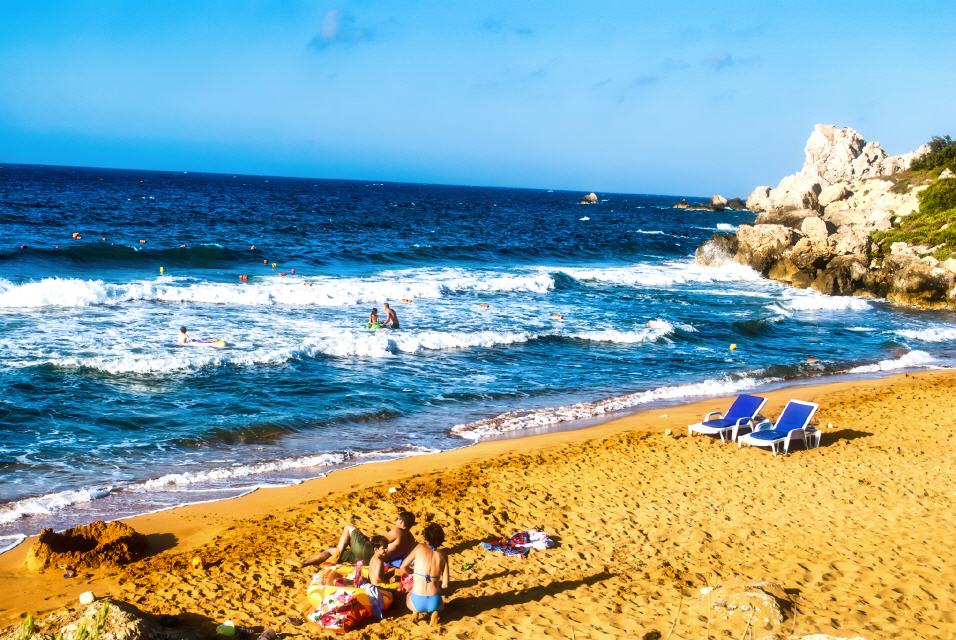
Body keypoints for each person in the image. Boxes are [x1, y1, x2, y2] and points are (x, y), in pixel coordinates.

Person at [301, 510, 417, 568]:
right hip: (371, 562)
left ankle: (305, 563)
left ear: (401, 522)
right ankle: (333, 554)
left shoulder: (397, 531)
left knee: (348, 527)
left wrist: (368, 538)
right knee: (331, 550)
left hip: (369, 552)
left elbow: (379, 542)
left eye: (398, 519)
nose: (396, 521)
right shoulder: (411, 540)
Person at [400, 522, 450, 625]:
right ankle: (435, 612)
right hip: (434, 601)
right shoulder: (443, 556)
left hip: (416, 600)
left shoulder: (419, 548)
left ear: (426, 537)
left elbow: (403, 567)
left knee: (408, 594)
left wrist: (413, 574)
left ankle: (415, 612)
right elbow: (445, 584)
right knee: (441, 603)